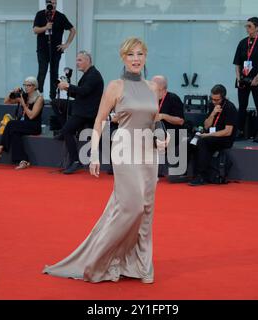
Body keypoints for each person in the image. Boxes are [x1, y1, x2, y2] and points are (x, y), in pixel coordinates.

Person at [43, 38, 169, 283]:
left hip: (148, 153)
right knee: (129, 207)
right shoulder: (115, 86)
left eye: (140, 54)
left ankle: (140, 267)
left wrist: (160, 139)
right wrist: (93, 153)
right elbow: (100, 120)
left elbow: (153, 121)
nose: (136, 58)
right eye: (131, 54)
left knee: (145, 210)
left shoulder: (153, 88)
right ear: (123, 58)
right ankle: (99, 260)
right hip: (124, 148)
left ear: (145, 57)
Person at [56, 51, 104, 174]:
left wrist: (67, 86)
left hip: (87, 112)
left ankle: (75, 161)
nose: (77, 63)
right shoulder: (89, 74)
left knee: (68, 130)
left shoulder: (93, 75)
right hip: (84, 110)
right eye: (77, 60)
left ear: (88, 61)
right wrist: (67, 88)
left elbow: (84, 91)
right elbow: (80, 93)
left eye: (80, 60)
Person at [0, 77, 44, 169]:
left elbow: (31, 116)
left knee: (11, 124)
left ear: (35, 86)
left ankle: (0, 147)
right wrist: (12, 92)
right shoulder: (24, 96)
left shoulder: (39, 99)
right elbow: (6, 101)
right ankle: (24, 160)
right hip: (24, 125)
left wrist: (23, 103)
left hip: (34, 126)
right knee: (15, 133)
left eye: (29, 85)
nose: (26, 87)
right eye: (25, 85)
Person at [188, 85, 238, 186]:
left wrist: (208, 135)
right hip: (211, 134)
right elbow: (206, 125)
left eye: (217, 100)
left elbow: (228, 131)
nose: (214, 101)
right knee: (192, 140)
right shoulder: (212, 105)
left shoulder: (230, 107)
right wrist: (213, 114)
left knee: (203, 142)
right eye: (212, 99)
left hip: (224, 138)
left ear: (223, 97)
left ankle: (202, 176)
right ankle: (190, 173)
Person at [233, 17, 258, 143]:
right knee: (242, 106)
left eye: (249, 26)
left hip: (257, 80)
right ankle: (240, 131)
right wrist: (238, 78)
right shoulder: (242, 42)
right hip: (243, 79)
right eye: (246, 26)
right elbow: (237, 62)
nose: (247, 28)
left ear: (257, 27)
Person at [33, 0, 76, 100]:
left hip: (56, 50)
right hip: (42, 49)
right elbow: (35, 30)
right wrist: (46, 27)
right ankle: (39, 97)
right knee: (42, 71)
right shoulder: (40, 14)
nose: (53, 5)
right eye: (51, 3)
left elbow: (73, 30)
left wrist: (66, 44)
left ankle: (53, 97)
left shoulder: (60, 16)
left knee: (54, 73)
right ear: (47, 4)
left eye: (55, 3)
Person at [151, 75, 185, 176]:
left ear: (163, 90)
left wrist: (163, 116)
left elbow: (180, 121)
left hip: (172, 132)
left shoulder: (173, 99)